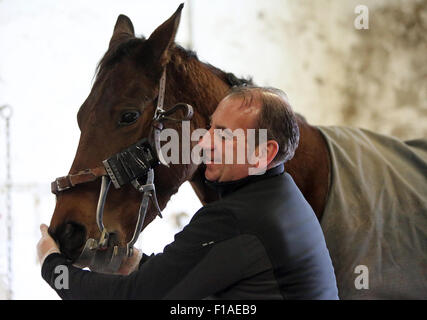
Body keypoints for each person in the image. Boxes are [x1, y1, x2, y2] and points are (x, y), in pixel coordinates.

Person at [37, 85, 339, 299]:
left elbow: (133, 297)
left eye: (223, 135)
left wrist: (52, 265)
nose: (204, 143)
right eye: (210, 128)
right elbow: (192, 272)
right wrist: (133, 263)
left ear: (263, 152)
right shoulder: (281, 196)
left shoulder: (236, 218)